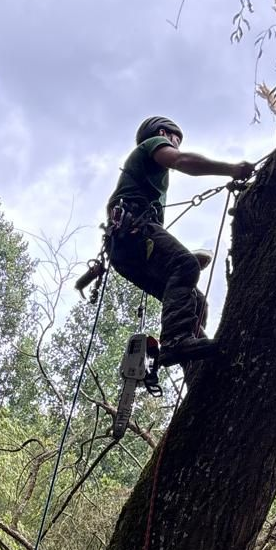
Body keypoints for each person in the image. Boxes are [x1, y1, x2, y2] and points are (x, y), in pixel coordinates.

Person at [105, 116, 254, 366]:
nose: (176, 147)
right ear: (163, 133)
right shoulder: (153, 143)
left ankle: (196, 364)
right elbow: (182, 161)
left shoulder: (146, 177)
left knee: (197, 302)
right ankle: (176, 341)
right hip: (133, 233)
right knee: (185, 265)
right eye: (176, 141)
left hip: (127, 249)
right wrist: (232, 169)